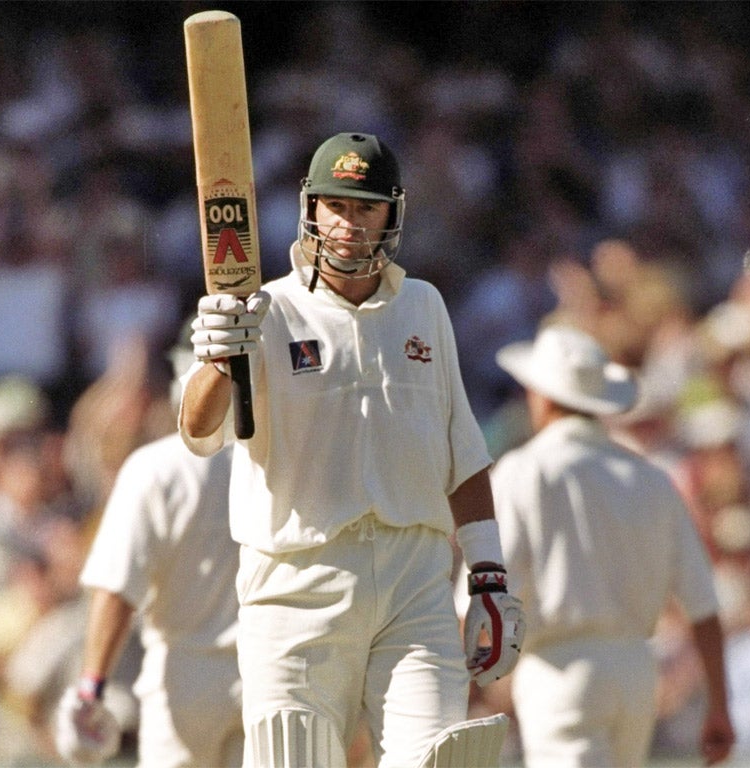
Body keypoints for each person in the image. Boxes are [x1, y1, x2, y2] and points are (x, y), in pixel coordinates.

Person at [179, 132, 524, 767]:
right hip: (296, 583)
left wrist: (488, 575)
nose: (347, 224)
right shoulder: (266, 309)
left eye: (365, 208)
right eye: (335, 206)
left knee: (437, 759)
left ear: (393, 213)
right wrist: (217, 361)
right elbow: (199, 434)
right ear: (311, 209)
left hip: (414, 583)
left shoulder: (424, 306)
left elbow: (462, 452)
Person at [489, 323, 735, 768]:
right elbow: (703, 604)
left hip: (559, 670)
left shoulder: (523, 470)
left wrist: (470, 670)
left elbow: (490, 588)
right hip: (636, 673)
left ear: (541, 397)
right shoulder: (651, 478)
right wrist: (719, 704)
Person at [53, 324, 242, 768]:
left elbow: (116, 588)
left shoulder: (154, 468)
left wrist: (90, 689)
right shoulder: (281, 461)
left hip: (184, 682)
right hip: (273, 676)